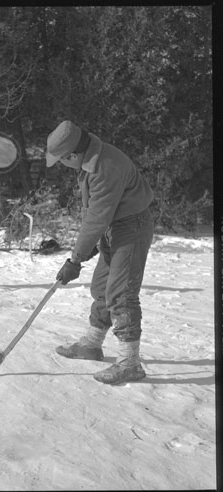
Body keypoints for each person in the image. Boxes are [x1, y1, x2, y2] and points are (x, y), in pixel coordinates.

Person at [46, 120, 154, 385]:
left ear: (72, 154)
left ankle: (130, 363)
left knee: (121, 293)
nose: (61, 164)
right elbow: (93, 212)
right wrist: (91, 245)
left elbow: (96, 218)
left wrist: (75, 259)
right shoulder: (90, 159)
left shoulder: (104, 166)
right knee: (102, 287)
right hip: (115, 226)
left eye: (61, 160)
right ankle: (92, 345)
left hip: (131, 228)